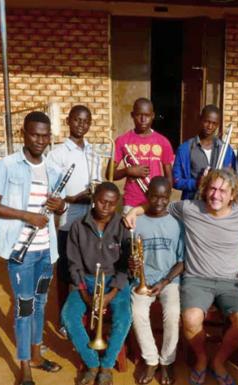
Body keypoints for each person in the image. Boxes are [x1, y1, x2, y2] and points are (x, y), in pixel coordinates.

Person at [125, 169, 238, 385]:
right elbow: (157, 203)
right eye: (212, 188)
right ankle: (201, 358)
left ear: (233, 195)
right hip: (198, 279)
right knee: (190, 318)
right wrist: (134, 211)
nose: (216, 195)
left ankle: (218, 361)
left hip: (232, 282)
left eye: (222, 191)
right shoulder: (189, 208)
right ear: (205, 189)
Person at [0, 111, 64, 385]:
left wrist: (61, 206)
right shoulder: (6, 166)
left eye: (45, 135)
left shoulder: (53, 169)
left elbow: (58, 209)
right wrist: (26, 215)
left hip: (45, 253)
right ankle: (25, 368)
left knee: (40, 304)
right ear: (23, 134)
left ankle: (37, 356)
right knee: (24, 307)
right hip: (22, 254)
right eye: (34, 134)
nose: (40, 140)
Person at [61, 182, 133, 385]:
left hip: (114, 283)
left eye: (111, 203)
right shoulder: (77, 226)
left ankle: (107, 366)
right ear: (94, 200)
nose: (106, 207)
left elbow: (124, 266)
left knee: (124, 317)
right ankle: (92, 363)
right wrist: (87, 297)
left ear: (117, 203)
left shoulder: (122, 226)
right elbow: (74, 265)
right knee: (68, 316)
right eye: (102, 201)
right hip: (85, 282)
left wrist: (110, 295)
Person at [130, 177, 185, 385]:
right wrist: (132, 266)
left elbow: (182, 261)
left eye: (164, 197)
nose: (159, 201)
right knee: (137, 314)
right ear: (147, 196)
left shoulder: (177, 224)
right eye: (154, 196)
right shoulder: (137, 222)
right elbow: (131, 256)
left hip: (169, 281)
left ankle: (167, 362)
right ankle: (151, 360)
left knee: (172, 315)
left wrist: (165, 281)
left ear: (169, 197)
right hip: (142, 280)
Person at [47, 105, 99, 326]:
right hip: (69, 220)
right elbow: (52, 192)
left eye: (86, 121)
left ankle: (85, 315)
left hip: (92, 220)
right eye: (77, 120)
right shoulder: (57, 154)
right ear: (68, 121)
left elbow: (99, 183)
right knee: (67, 272)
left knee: (89, 268)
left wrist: (95, 194)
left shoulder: (94, 152)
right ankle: (65, 319)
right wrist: (75, 199)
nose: (81, 125)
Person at [113, 98, 175, 212]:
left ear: (153, 116)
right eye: (139, 115)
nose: (143, 119)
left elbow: (169, 176)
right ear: (132, 115)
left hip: (156, 202)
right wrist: (128, 171)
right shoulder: (122, 140)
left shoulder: (163, 141)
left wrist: (165, 198)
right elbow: (110, 174)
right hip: (132, 202)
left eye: (147, 115)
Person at [173, 105, 236, 200]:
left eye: (214, 123)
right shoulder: (185, 149)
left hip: (218, 204)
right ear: (200, 119)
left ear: (218, 124)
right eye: (207, 121)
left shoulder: (226, 150)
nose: (210, 126)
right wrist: (196, 183)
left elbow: (233, 179)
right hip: (193, 203)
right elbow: (176, 180)